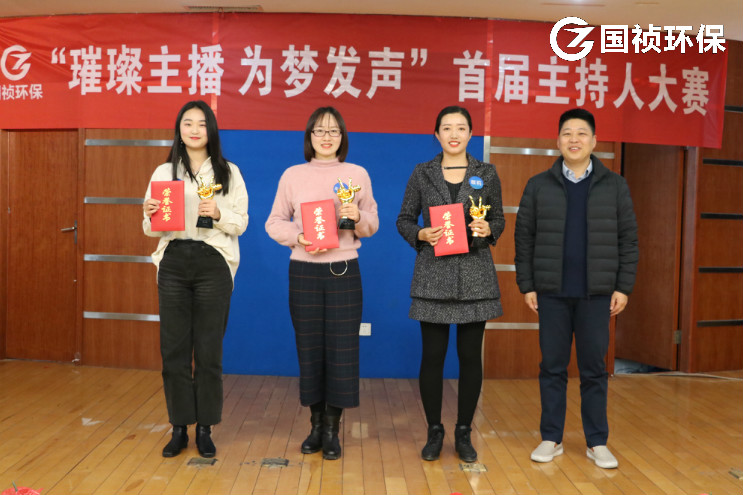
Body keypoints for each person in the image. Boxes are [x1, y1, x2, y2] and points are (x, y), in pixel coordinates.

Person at [514, 108, 638, 469]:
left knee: (594, 369)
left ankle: (597, 441)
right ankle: (550, 438)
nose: (574, 139)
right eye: (567, 133)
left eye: (582, 133)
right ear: (558, 141)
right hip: (551, 292)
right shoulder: (539, 185)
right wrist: (527, 284)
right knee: (552, 366)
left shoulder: (615, 185)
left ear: (594, 141)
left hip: (596, 294)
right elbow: (524, 238)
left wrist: (623, 287)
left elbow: (628, 240)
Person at [265, 107, 378, 460]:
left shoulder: (357, 174)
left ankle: (332, 429)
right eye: (319, 131)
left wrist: (358, 216)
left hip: (344, 269)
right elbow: (274, 222)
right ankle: (314, 425)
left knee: (342, 351)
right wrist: (298, 238)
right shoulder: (292, 175)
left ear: (342, 137)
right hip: (304, 270)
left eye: (333, 131)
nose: (326, 137)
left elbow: (372, 223)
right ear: (309, 136)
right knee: (310, 348)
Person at [396, 106, 505, 463]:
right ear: (437, 134)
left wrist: (489, 229)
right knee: (433, 358)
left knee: (470, 358)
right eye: (447, 128)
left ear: (471, 134)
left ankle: (463, 432)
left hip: (475, 277)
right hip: (433, 276)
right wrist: (420, 234)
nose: (454, 134)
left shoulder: (486, 172)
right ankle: (434, 431)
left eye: (461, 128)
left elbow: (498, 219)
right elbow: (403, 219)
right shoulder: (422, 172)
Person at [143, 100, 249, 458]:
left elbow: (241, 222)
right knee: (173, 350)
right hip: (174, 261)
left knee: (208, 351)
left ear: (211, 130)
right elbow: (149, 228)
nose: (194, 130)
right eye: (187, 123)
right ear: (179, 129)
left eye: (201, 124)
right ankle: (179, 427)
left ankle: (205, 428)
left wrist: (217, 212)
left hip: (212, 262)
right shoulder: (163, 172)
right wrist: (150, 214)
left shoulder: (228, 172)